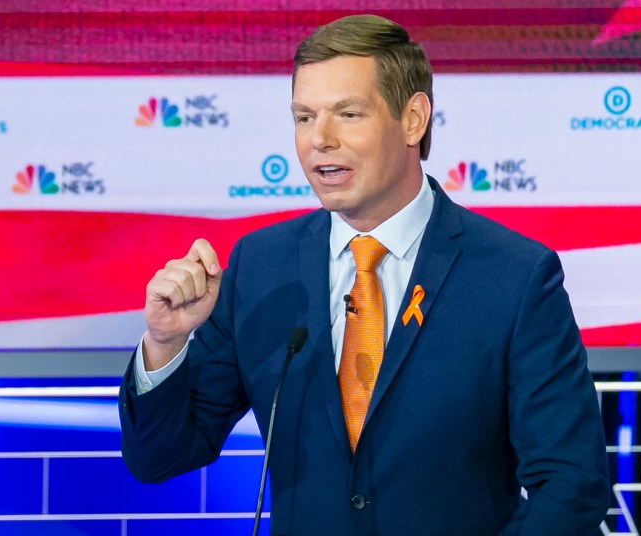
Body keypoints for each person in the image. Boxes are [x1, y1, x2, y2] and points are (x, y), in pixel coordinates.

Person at [119, 14, 610, 535]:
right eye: (303, 117)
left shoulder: (513, 277)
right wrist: (166, 344)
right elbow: (159, 459)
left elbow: (571, 485)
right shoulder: (261, 267)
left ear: (414, 119)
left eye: (347, 114)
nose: (319, 140)